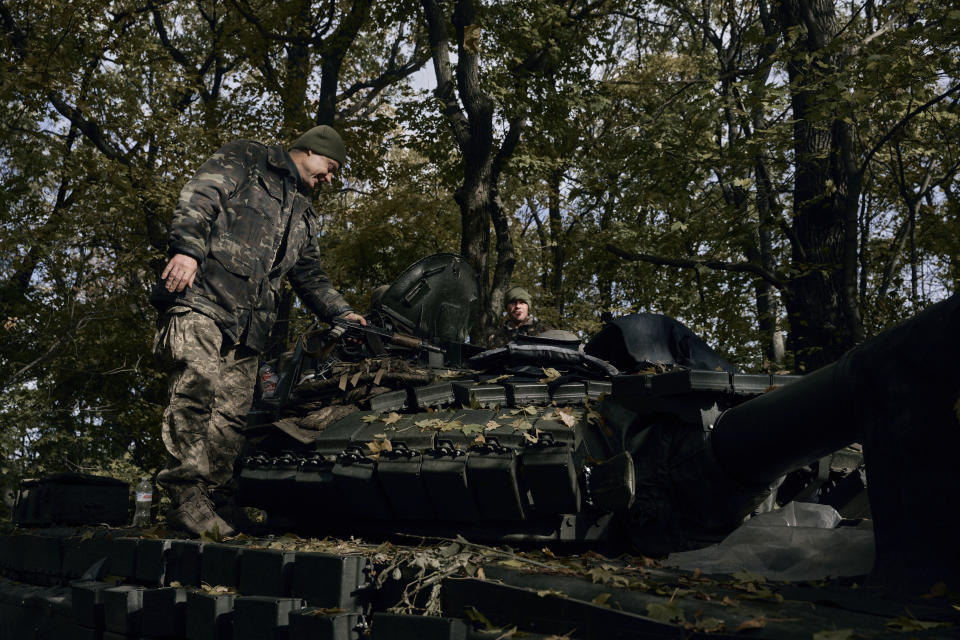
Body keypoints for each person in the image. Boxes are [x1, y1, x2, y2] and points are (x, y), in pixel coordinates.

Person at [150, 124, 366, 536]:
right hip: (204, 298)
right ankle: (186, 498)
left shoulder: (304, 210)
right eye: (329, 166)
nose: (330, 178)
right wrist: (187, 250)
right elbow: (201, 195)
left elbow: (309, 273)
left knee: (231, 414)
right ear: (308, 150)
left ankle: (217, 500)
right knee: (195, 388)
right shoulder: (248, 158)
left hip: (252, 324)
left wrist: (342, 313)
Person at [485, 286, 553, 347]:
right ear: (506, 307)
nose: (517, 306)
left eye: (522, 302)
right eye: (513, 302)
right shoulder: (496, 337)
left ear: (528, 307)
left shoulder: (544, 331)